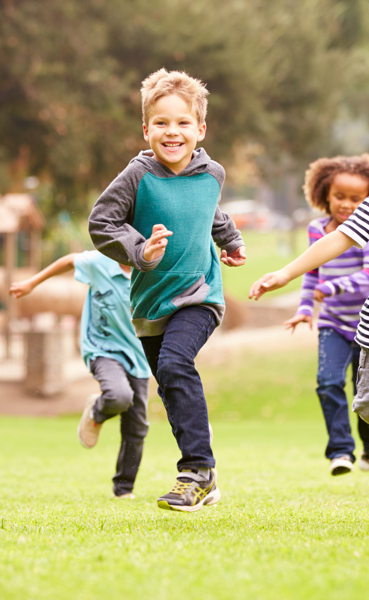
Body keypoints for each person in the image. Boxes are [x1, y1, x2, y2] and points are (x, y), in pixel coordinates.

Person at [88, 69, 246, 512]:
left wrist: (230, 241)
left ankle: (196, 470)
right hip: (149, 302)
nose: (171, 132)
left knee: (177, 363)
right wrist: (141, 250)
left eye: (182, 123)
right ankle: (205, 476)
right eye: (161, 123)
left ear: (200, 129)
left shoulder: (211, 172)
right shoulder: (137, 175)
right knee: (171, 385)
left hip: (199, 295)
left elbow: (211, 212)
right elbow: (102, 223)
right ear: (146, 129)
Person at [256, 154, 369, 476]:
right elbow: (312, 274)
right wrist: (304, 309)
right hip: (333, 325)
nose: (347, 204)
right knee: (327, 382)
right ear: (325, 193)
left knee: (364, 393)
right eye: (340, 196)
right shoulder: (317, 230)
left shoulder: (368, 232)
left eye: (357, 199)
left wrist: (332, 289)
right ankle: (340, 451)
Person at [9, 251, 151, 500]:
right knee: (119, 396)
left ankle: (124, 489)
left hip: (139, 356)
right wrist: (32, 283)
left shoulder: (152, 272)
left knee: (137, 426)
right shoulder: (100, 263)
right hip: (102, 349)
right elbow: (67, 261)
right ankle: (97, 411)